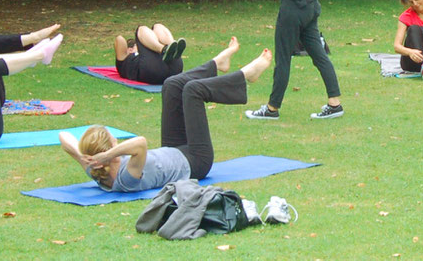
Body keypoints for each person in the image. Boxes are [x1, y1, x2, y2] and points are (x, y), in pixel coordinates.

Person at [63, 38, 273, 191]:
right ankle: (246, 75)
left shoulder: (96, 169)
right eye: (110, 138)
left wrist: (85, 157)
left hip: (173, 149)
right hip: (196, 162)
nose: (113, 136)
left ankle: (217, 64)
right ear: (108, 151)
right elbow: (140, 144)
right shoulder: (125, 178)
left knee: (171, 85)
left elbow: (63, 137)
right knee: (193, 90)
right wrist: (108, 155)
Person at [113, 24, 186, 85]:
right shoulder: (124, 61)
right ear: (130, 49)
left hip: (174, 70)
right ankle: (164, 49)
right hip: (152, 71)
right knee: (141, 29)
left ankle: (172, 47)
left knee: (157, 26)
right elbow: (119, 39)